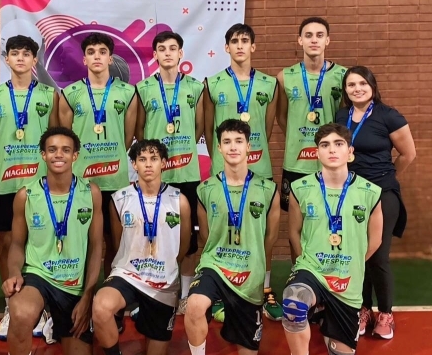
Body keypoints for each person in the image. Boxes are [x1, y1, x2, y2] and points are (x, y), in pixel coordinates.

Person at [280, 123, 383, 355]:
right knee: (293, 300)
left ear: (350, 152)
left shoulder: (371, 192)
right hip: (313, 269)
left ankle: (325, 312)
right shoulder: (301, 188)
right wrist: (306, 263)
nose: (332, 150)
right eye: (325, 145)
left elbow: (375, 240)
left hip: (347, 279)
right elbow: (294, 233)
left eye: (338, 144)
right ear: (317, 153)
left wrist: (352, 263)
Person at [182, 119, 280, 355]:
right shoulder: (205, 189)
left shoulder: (268, 189)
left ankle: (234, 310)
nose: (233, 147)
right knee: (194, 305)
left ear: (249, 147)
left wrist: (251, 259)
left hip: (250, 272)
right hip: (216, 264)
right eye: (227, 142)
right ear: (219, 148)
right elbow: (206, 237)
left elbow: (270, 238)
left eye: (239, 141)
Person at [3, 127, 103, 355]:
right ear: (43, 155)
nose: (59, 155)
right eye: (52, 150)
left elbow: (96, 247)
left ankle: (54, 321)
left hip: (73, 284)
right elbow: (16, 244)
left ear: (75, 156)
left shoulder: (91, 192)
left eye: (66, 150)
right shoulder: (26, 195)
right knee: (21, 313)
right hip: (39, 275)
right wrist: (14, 272)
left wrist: (88, 295)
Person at [91, 139, 191, 355]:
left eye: (154, 159)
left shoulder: (179, 200)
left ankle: (143, 314)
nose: (148, 164)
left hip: (163, 283)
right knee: (101, 306)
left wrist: (165, 266)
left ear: (164, 163)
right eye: (142, 159)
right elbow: (117, 243)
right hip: (129, 275)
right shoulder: (119, 198)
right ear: (134, 164)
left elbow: (183, 246)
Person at [0, 34, 59, 341]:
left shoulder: (50, 95)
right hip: (7, 182)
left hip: (39, 183)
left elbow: (54, 136)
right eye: (15, 54)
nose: (20, 58)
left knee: (42, 242)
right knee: (7, 244)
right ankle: (10, 305)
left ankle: (46, 306)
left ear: (34, 60)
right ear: (7, 59)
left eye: (26, 54)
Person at [204, 23, 281, 321]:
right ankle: (222, 289)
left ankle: (263, 288)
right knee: (222, 231)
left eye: (245, 40)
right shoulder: (212, 83)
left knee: (262, 233)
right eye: (234, 41)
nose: (239, 45)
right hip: (223, 173)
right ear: (226, 47)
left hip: (259, 168)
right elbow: (209, 128)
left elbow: (268, 126)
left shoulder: (269, 84)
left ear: (253, 47)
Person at [336, 66, 416, 339]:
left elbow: (408, 154)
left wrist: (387, 178)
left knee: (378, 255)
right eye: (351, 85)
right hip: (352, 194)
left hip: (382, 193)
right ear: (345, 90)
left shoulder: (388, 116)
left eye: (362, 83)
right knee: (358, 254)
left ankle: (385, 313)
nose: (357, 88)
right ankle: (363, 309)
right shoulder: (342, 116)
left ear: (372, 86)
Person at [136, 31, 204, 315]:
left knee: (189, 240)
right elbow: (139, 130)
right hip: (155, 177)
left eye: (172, 48)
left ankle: (185, 294)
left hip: (187, 173)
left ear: (180, 53)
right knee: (152, 235)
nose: (167, 53)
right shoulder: (142, 88)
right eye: (161, 49)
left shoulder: (196, 87)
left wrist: (182, 150)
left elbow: (199, 127)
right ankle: (152, 291)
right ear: (154, 55)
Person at [59, 33, 137, 277]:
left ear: (110, 58)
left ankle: (111, 290)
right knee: (83, 240)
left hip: (115, 180)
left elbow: (127, 137)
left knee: (116, 242)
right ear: (84, 59)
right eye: (91, 52)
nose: (97, 57)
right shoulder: (70, 93)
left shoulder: (128, 92)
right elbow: (67, 140)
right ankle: (84, 294)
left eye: (102, 52)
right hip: (82, 180)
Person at [276, 17, 346, 263]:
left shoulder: (342, 75)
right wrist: (300, 138)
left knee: (330, 220)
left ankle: (326, 272)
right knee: (297, 225)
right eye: (308, 35)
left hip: (331, 164)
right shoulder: (284, 77)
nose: (314, 40)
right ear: (300, 40)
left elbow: (344, 119)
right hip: (296, 163)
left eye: (319, 35)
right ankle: (300, 274)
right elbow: (282, 117)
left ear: (328, 40)